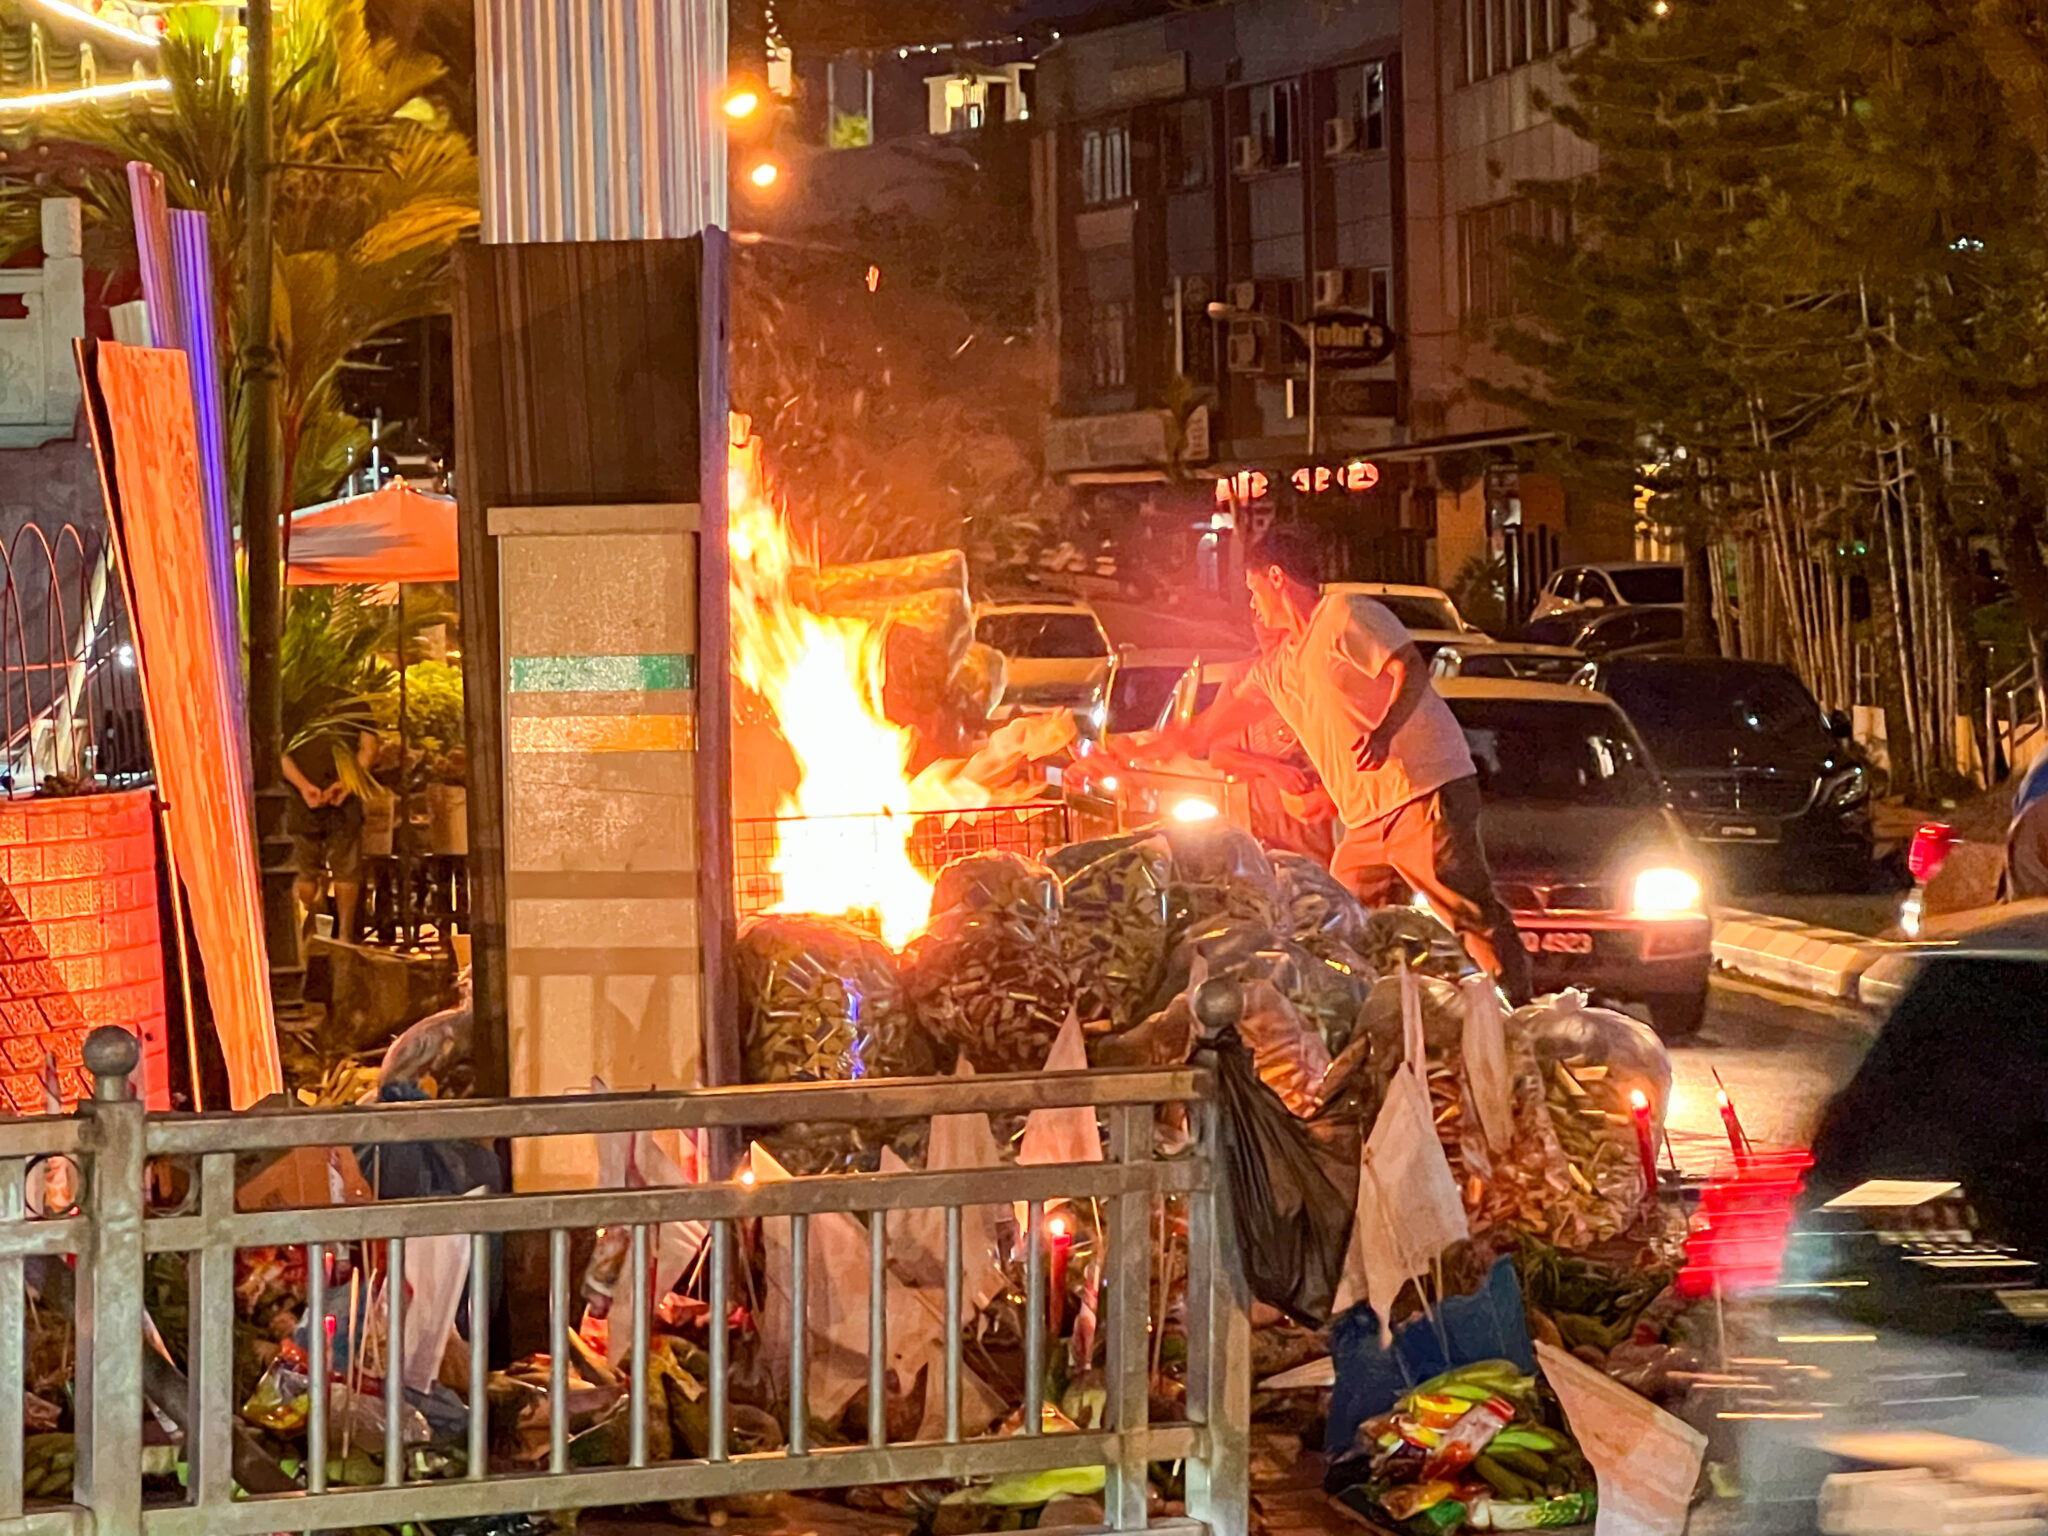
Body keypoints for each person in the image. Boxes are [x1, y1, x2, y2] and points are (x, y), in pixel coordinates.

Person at [1141, 525, 1532, 1002]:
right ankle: (1374, 1014)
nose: (1252, 605)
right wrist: (1138, 750)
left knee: (1466, 912)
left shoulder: (1344, 613)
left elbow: (1408, 668)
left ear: (1277, 577)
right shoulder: (1280, 666)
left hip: (1421, 791)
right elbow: (1208, 728)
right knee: (1339, 919)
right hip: (1366, 822)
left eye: (1253, 589)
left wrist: (1384, 732)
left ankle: (1517, 1013)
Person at [282, 726, 379, 942]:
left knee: (305, 871)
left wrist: (304, 786)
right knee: (345, 870)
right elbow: (369, 748)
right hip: (332, 799)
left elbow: (279, 751)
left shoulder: (289, 707)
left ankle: (306, 936)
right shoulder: (356, 707)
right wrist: (347, 784)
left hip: (307, 799)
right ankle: (343, 936)